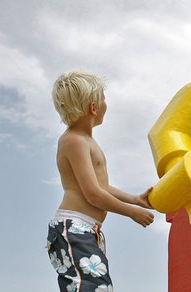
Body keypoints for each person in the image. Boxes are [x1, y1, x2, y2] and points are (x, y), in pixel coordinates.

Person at [46, 70, 155, 292]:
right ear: (93, 107)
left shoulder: (87, 141)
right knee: (92, 288)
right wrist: (131, 212)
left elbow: (102, 187)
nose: (106, 104)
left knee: (97, 287)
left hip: (86, 230)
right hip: (73, 228)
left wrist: (135, 199)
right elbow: (93, 194)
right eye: (103, 98)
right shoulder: (74, 141)